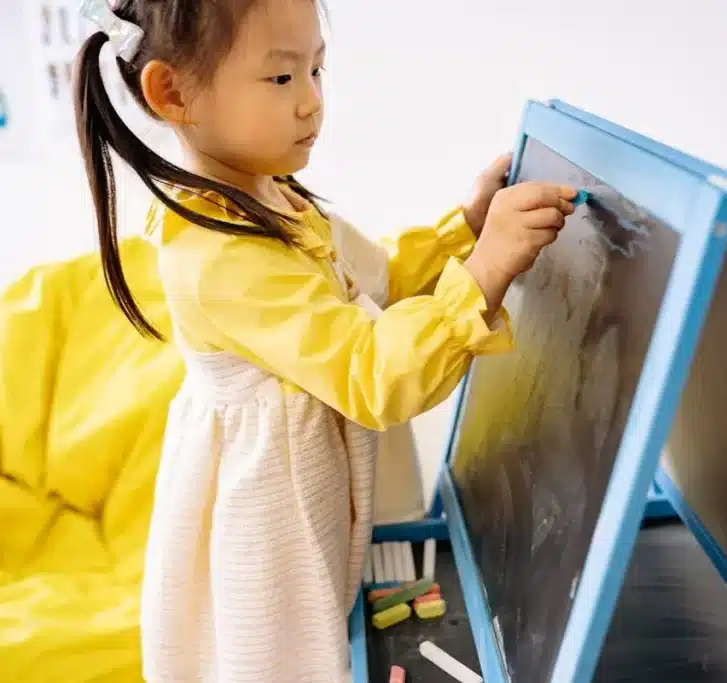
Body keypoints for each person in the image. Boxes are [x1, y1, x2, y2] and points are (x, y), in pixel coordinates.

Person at [72, 0, 578, 680]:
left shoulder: (274, 194)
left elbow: (374, 281)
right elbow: (372, 374)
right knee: (281, 660)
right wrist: (487, 269)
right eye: (282, 78)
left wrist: (466, 227)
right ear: (174, 93)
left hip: (308, 499)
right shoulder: (217, 255)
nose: (312, 100)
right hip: (265, 524)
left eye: (317, 69)